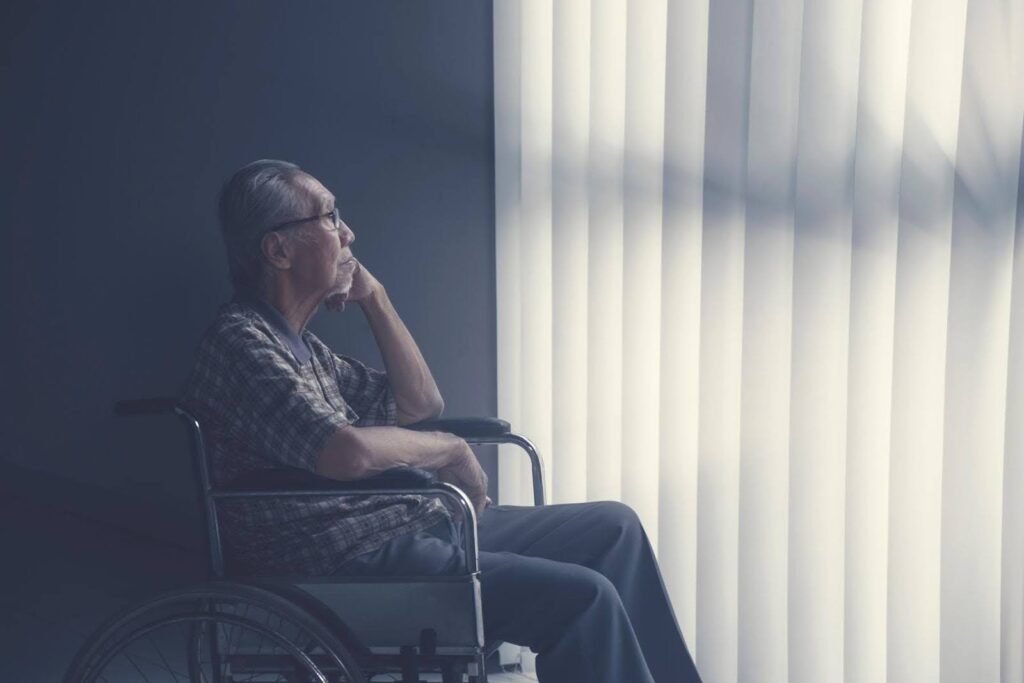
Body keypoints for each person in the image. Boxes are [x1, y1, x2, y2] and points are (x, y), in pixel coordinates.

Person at [181, 159, 702, 683]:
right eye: (330, 216)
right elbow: (347, 452)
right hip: (341, 560)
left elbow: (419, 404)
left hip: (407, 523)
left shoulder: (307, 350)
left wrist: (375, 298)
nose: (348, 232)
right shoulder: (242, 343)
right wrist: (451, 451)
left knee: (614, 527)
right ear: (278, 250)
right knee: (585, 598)